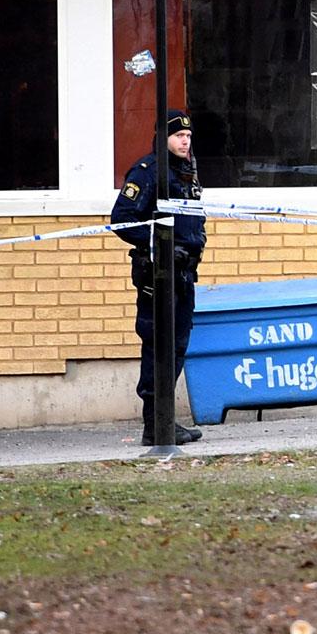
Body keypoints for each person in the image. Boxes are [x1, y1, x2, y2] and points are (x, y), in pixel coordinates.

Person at [111, 108, 207, 447]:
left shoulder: (186, 174)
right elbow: (122, 219)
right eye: (179, 136)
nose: (185, 141)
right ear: (163, 138)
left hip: (183, 276)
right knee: (158, 345)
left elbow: (194, 220)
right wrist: (159, 244)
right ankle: (155, 423)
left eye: (189, 136)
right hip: (158, 275)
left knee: (178, 345)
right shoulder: (149, 171)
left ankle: (165, 418)